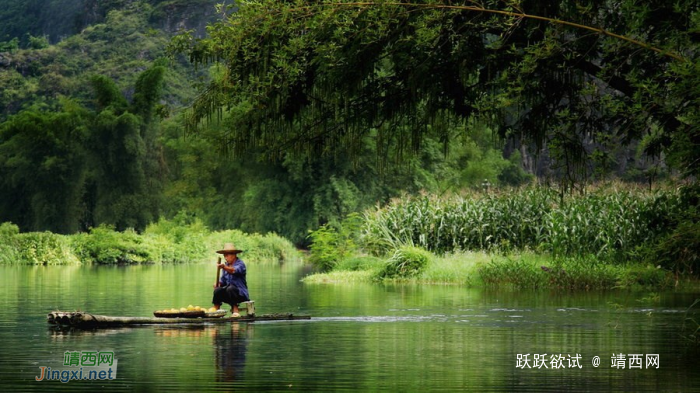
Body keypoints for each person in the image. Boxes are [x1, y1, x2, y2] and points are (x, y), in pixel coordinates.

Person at [212, 243, 250, 316]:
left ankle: (235, 310)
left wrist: (224, 267)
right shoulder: (226, 266)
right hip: (229, 294)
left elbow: (233, 270)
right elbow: (223, 281)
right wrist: (218, 283)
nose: (225, 257)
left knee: (231, 288)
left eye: (227, 255)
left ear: (233, 255)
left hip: (240, 295)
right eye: (224, 255)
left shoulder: (240, 264)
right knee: (217, 290)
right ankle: (215, 309)